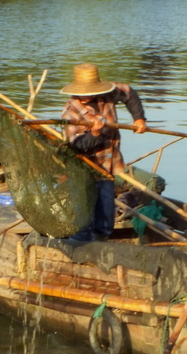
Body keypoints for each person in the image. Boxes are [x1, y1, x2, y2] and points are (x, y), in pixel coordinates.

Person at [60, 63, 147, 242]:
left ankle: (101, 243)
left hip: (107, 168)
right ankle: (78, 247)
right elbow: (77, 146)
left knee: (106, 220)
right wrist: (95, 133)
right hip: (84, 172)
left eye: (90, 92)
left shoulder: (108, 94)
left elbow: (129, 93)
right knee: (82, 220)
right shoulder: (71, 112)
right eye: (83, 93)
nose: (87, 96)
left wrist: (138, 118)